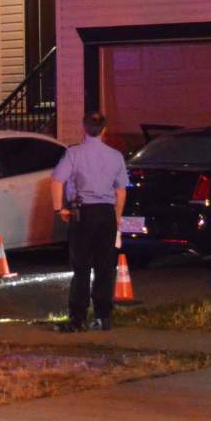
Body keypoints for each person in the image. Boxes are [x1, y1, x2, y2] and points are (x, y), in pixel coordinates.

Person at [50, 112, 128, 332]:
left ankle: (78, 319)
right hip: (106, 214)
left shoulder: (74, 153)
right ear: (104, 130)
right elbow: (121, 191)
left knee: (81, 267)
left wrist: (59, 208)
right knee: (105, 267)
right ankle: (103, 317)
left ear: (83, 128)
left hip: (82, 214)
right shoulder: (115, 156)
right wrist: (117, 217)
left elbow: (56, 181)